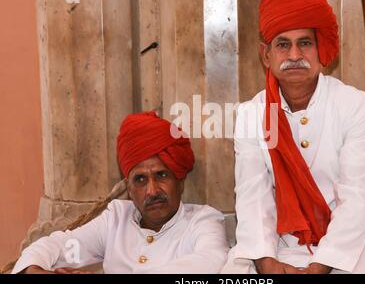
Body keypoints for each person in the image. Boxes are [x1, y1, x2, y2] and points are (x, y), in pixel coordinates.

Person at [222, 0, 365, 274]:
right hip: (278, 245)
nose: (293, 55)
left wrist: (319, 267)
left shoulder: (353, 106)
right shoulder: (252, 115)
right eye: (283, 44)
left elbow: (359, 199)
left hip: (350, 246)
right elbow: (253, 196)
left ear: (320, 49)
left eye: (305, 43)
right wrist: (267, 263)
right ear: (266, 55)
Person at [12, 111, 229, 274]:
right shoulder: (115, 221)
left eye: (162, 176)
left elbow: (211, 261)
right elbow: (58, 247)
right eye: (140, 180)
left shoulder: (202, 221)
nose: (152, 190)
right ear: (129, 188)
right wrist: (34, 270)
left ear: (180, 181)